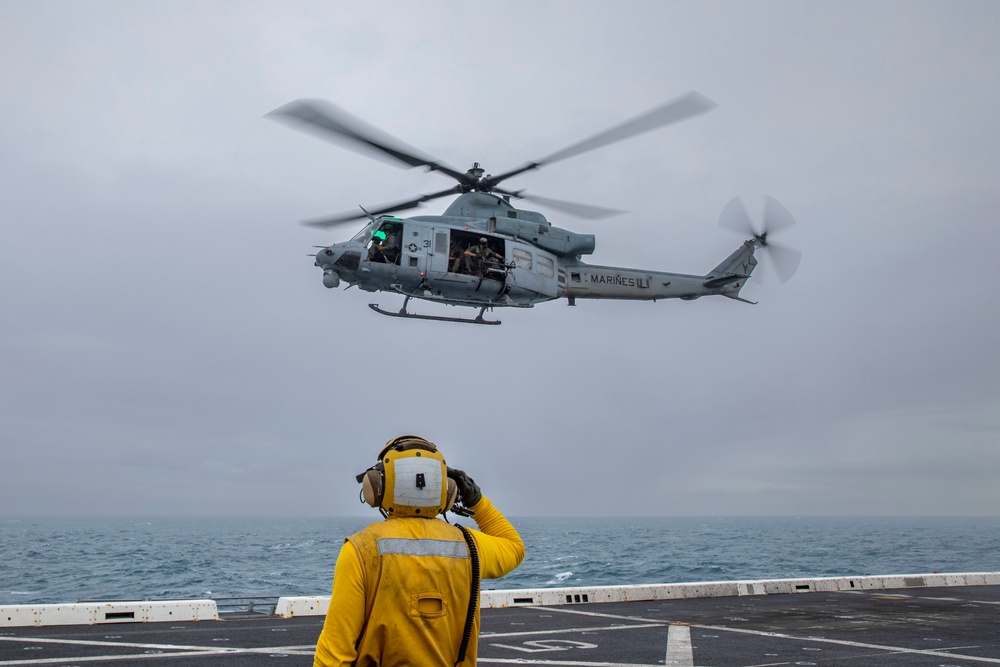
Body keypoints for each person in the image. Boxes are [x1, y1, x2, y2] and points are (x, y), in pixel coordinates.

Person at [313, 435, 524, 667]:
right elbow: (513, 547)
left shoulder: (361, 549)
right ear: (447, 490)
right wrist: (476, 501)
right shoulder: (468, 545)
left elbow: (333, 655)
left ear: (377, 486)